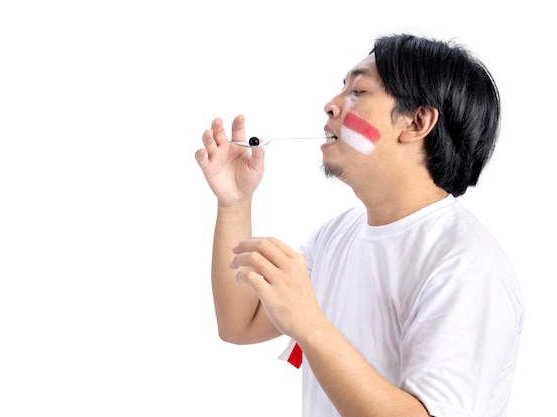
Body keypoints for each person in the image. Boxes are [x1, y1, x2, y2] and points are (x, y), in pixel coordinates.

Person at [194, 33, 525, 417]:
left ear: (417, 121)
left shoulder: (467, 267)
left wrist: (310, 325)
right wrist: (234, 204)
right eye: (342, 88)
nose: (331, 106)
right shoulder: (336, 237)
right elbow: (240, 324)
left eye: (359, 91)